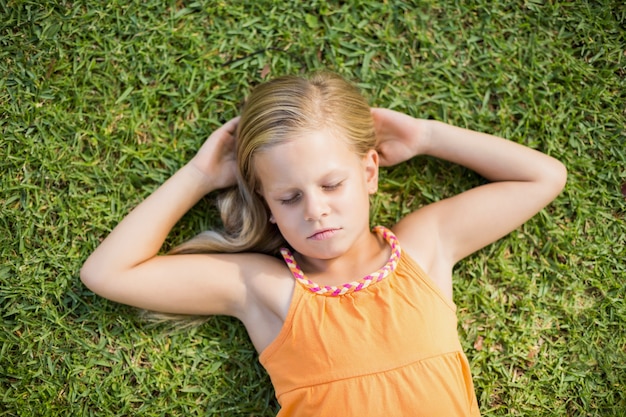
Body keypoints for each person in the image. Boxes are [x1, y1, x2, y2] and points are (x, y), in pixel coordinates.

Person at [80, 72, 567, 416]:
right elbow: (107, 273)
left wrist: (427, 135)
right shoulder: (262, 288)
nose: (315, 210)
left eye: (332, 185)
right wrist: (199, 176)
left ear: (369, 172)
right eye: (290, 197)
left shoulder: (424, 248)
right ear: (267, 206)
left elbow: (543, 177)